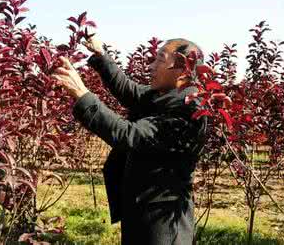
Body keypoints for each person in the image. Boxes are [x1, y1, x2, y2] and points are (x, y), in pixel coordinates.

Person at [51, 35, 208, 245]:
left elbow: (130, 135)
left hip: (162, 220)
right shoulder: (166, 94)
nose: (151, 65)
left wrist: (82, 94)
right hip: (142, 206)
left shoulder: (189, 108)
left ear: (181, 67)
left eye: (160, 59)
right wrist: (101, 55)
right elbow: (129, 91)